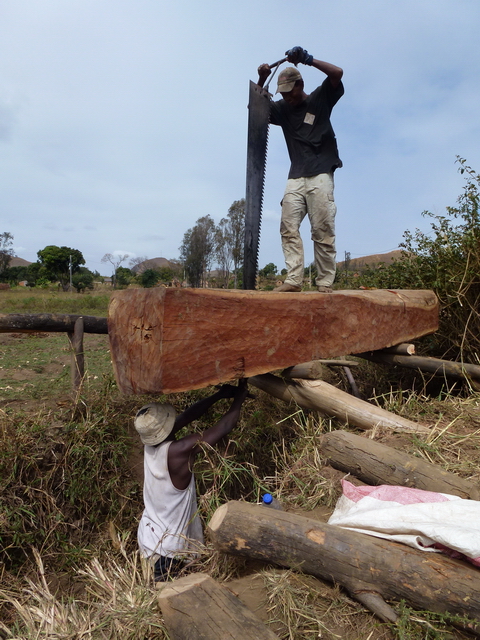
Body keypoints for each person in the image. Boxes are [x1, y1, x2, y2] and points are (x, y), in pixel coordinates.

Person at [134, 379, 249, 582]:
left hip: (149, 539)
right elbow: (225, 426)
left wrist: (219, 395)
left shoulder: (151, 446)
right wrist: (240, 395)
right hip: (167, 552)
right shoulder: (178, 451)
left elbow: (187, 416)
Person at [257, 46, 344, 293]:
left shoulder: (319, 99)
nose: (286, 97)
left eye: (289, 92)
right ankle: (294, 280)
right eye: (282, 93)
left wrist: (307, 59)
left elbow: (337, 73)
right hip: (295, 177)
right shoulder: (283, 110)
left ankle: (325, 282)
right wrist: (263, 78)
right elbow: (258, 106)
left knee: (322, 229)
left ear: (300, 85)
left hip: (320, 175)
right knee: (288, 227)